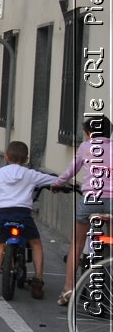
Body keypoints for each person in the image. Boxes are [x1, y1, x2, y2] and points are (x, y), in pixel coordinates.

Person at [0, 140, 59, 299]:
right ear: (26, 159)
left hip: (3, 215)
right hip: (23, 215)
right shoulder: (30, 174)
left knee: (0, 247)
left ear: (6, 157)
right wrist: (64, 183)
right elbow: (54, 180)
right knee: (36, 243)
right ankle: (38, 278)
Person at [53, 115, 113, 305]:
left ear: (89, 133)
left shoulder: (85, 147)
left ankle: (68, 290)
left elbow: (70, 171)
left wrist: (57, 184)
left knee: (77, 245)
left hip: (90, 202)